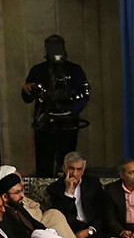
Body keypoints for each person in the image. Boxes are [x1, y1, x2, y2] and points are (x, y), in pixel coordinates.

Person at [23, 35, 90, 179]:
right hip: (45, 122)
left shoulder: (74, 70)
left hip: (68, 124)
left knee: (67, 160)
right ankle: (43, 186)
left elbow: (84, 95)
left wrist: (71, 111)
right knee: (44, 163)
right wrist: (29, 90)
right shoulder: (38, 70)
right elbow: (27, 97)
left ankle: (68, 185)